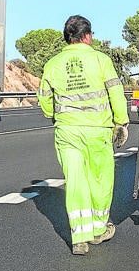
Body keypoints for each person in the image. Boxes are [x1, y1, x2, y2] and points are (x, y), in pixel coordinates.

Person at [37, 15, 130, 256]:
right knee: (100, 179)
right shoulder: (101, 60)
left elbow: (45, 99)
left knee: (75, 181)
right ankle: (98, 230)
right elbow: (116, 93)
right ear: (87, 36)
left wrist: (54, 115)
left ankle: (79, 237)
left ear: (67, 37)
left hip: (67, 131)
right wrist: (121, 121)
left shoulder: (53, 64)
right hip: (98, 131)